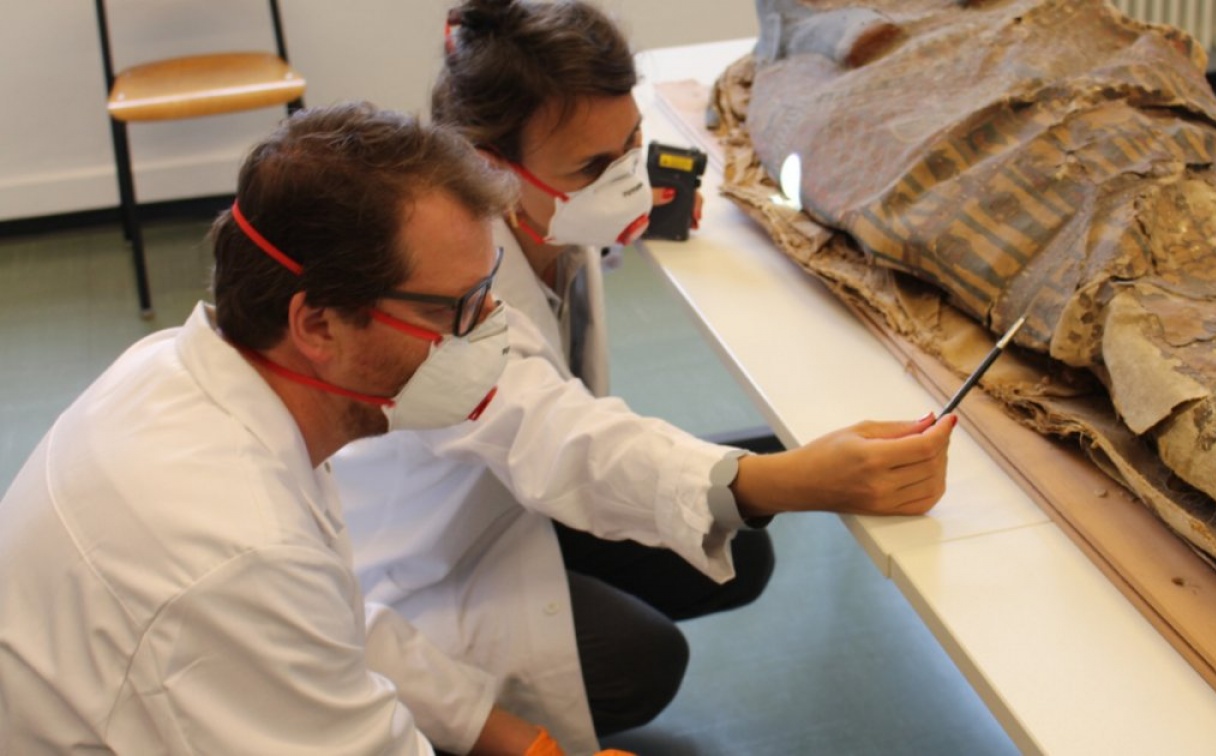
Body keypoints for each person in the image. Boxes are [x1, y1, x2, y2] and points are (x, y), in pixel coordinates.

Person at [329, 0, 960, 752]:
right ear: (490, 169)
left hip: (508, 495)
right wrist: (792, 481)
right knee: (643, 659)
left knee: (739, 551)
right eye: (594, 168)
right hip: (429, 565)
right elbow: (566, 441)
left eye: (631, 142)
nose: (626, 175)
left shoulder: (547, 214)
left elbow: (582, 255)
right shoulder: (448, 306)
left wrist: (633, 199)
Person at [0, 103, 575, 755]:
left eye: (489, 292)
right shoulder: (234, 544)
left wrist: (516, 740)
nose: (492, 327)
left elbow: (335, 624)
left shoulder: (196, 376)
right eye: (456, 309)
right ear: (319, 326)